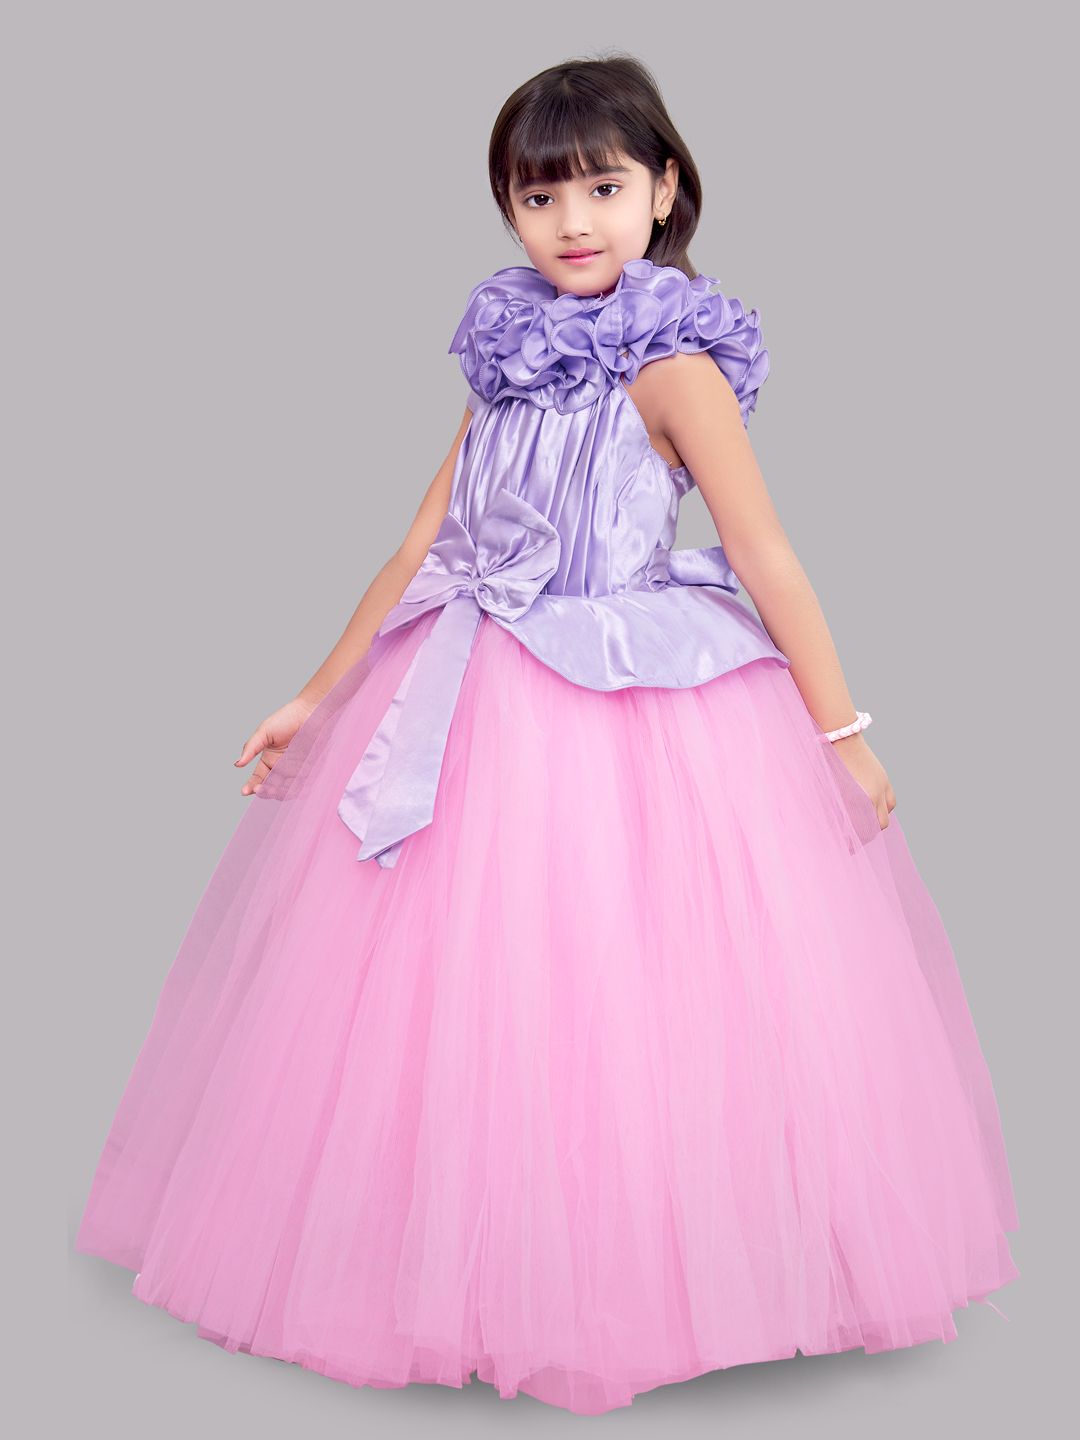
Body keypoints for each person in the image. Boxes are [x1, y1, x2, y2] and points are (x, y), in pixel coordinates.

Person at [74, 53, 1020, 1417]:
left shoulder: (674, 365)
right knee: (453, 1000)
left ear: (665, 191)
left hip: (626, 703)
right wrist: (318, 694)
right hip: (474, 694)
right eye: (538, 196)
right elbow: (425, 542)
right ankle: (445, 1265)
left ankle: (652, 1276)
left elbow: (765, 553)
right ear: (508, 210)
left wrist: (842, 733)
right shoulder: (510, 355)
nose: (573, 221)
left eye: (603, 187)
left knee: (636, 998)